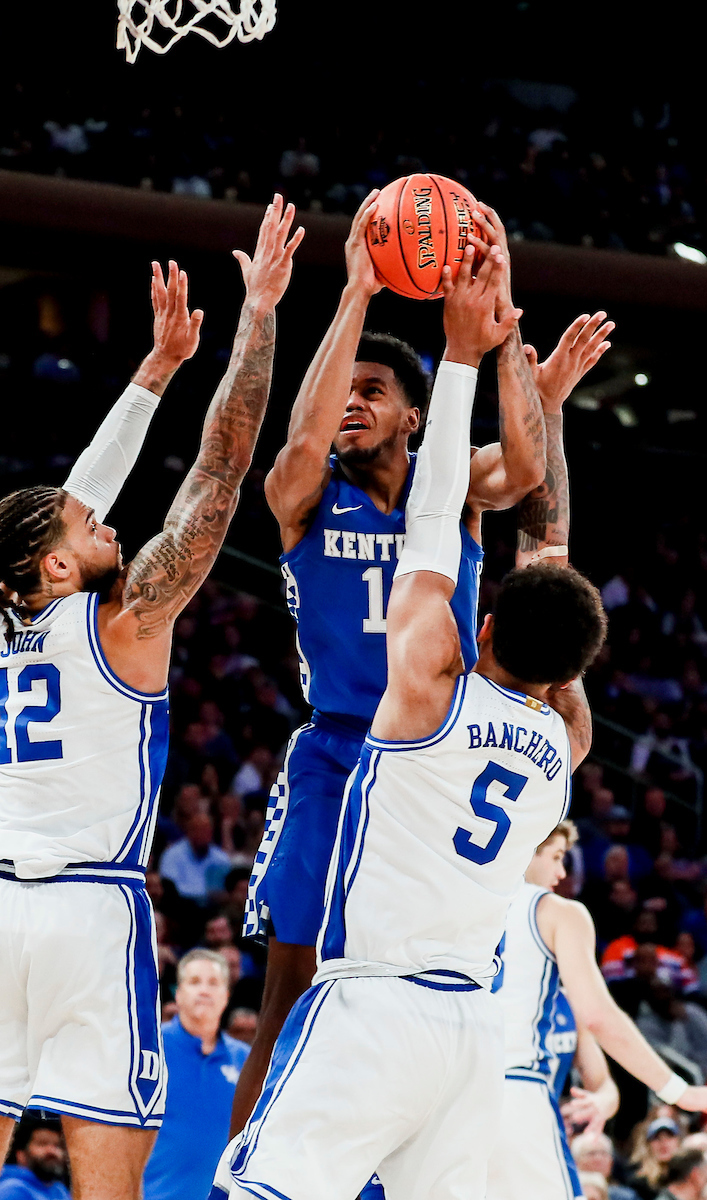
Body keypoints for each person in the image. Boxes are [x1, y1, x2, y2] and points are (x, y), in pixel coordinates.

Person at [208, 225, 609, 1200]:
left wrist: (531, 386)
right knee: (292, 990)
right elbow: (297, 441)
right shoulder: (309, 501)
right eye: (347, 387)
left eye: (372, 391)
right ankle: (250, 1167)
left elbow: (521, 470)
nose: (351, 402)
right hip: (341, 751)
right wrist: (349, 295)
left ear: (414, 415)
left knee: (405, 983)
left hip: (434, 750)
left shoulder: (455, 495)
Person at [0, 197, 303, 1200]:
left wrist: (155, 367)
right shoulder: (125, 620)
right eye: (85, 526)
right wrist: (257, 312)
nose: (108, 524)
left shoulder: (13, 620)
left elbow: (75, 504)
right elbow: (218, 467)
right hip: (90, 912)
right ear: (49, 559)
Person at [487, 820, 621, 1200]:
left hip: (538, 1120)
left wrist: (600, 1103)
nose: (562, 875)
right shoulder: (502, 980)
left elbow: (605, 1085)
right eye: (557, 858)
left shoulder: (569, 1006)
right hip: (511, 1109)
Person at [142, 950, 250, 1200]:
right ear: (178, 994)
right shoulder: (150, 1049)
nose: (204, 990)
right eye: (194, 982)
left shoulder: (245, 1061)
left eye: (213, 983)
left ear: (226, 996)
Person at [0, 1122, 70, 1199]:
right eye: (42, 1143)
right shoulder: (12, 1190)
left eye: (58, 1145)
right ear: (21, 1155)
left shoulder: (59, 1190)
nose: (51, 1151)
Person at [571, 1132, 639, 1200]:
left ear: (611, 1162)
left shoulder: (625, 1196)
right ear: (576, 1161)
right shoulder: (569, 1191)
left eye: (603, 1153)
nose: (598, 1159)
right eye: (592, 1153)